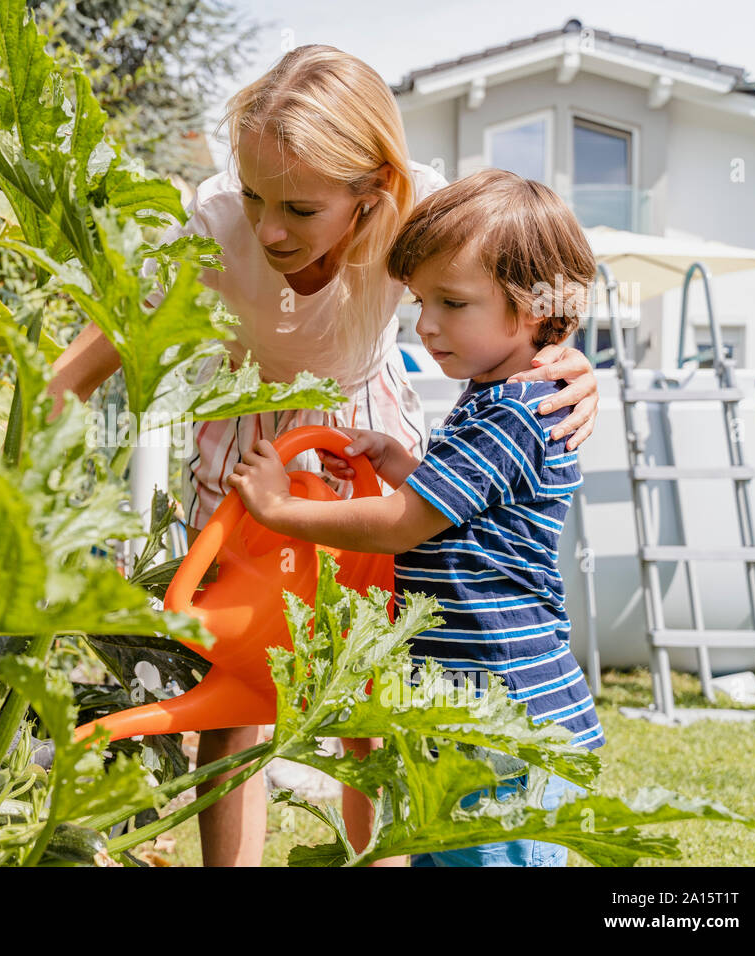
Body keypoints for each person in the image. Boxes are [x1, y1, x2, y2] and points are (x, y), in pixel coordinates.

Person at [0, 46, 604, 867]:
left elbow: (537, 272)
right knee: (235, 678)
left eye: (299, 208)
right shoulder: (214, 228)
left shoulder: (424, 207)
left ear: (371, 194)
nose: (267, 227)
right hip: (245, 436)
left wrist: (568, 359)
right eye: (256, 194)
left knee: (367, 683)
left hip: (356, 440)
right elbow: (65, 382)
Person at [226, 167, 606, 866]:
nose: (426, 326)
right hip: (473, 709)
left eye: (452, 304)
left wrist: (279, 507)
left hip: (503, 720)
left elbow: (404, 524)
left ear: (532, 310)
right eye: (420, 303)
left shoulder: (516, 412)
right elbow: (472, 512)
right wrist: (403, 461)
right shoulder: (492, 399)